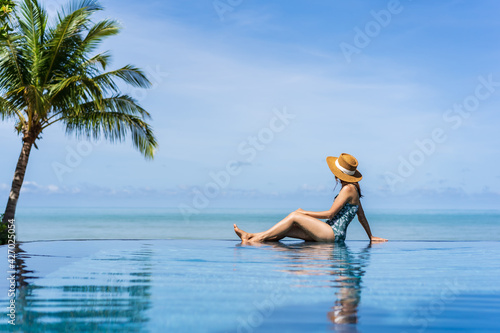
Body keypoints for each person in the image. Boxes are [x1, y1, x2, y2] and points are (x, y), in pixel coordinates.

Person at [233, 153, 387, 243]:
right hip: (333, 234)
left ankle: (255, 240)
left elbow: (330, 214)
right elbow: (362, 216)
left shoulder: (348, 189)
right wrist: (371, 236)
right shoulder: (353, 190)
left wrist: (303, 213)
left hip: (332, 233)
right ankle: (252, 236)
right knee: (288, 229)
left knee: (294, 216)